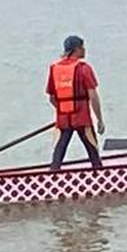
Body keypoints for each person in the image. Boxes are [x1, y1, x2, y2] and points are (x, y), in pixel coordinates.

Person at [47, 35, 104, 171]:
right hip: (82, 117)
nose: (84, 50)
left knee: (59, 151)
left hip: (63, 119)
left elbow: (52, 98)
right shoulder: (84, 68)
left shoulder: (54, 68)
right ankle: (100, 175)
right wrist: (100, 120)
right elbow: (93, 96)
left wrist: (64, 108)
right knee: (92, 150)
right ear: (76, 49)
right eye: (82, 47)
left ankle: (52, 175)